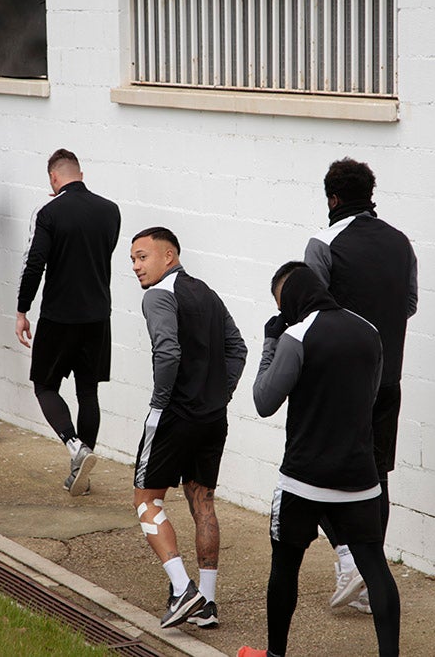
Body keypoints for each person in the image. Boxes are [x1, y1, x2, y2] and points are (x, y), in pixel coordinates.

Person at [239, 262, 401, 657]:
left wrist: (270, 344)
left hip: (303, 478)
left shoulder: (296, 335)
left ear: (292, 298)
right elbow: (374, 393)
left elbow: (264, 401)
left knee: (285, 569)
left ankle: (275, 654)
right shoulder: (369, 331)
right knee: (376, 571)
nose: (283, 313)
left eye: (282, 305)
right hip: (359, 477)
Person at [303, 157, 417, 612]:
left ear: (332, 198)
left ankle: (352, 561)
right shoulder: (401, 242)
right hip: (389, 377)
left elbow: (310, 316)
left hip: (340, 383)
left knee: (315, 470)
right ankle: (369, 574)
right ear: (369, 194)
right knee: (376, 476)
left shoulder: (323, 243)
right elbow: (407, 304)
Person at [129, 227, 247, 629]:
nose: (136, 266)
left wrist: (161, 403)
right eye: (132, 259)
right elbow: (238, 347)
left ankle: (183, 590)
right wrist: (219, 394)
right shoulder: (207, 292)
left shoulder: (158, 295)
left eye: (143, 256)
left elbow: (167, 352)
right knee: (203, 504)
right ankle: (207, 606)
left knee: (146, 500)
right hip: (212, 417)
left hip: (175, 416)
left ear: (170, 255)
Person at [15, 148, 121, 496]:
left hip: (59, 316)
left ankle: (75, 446)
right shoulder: (110, 211)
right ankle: (82, 476)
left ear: (54, 179)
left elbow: (35, 265)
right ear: (81, 173)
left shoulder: (49, 212)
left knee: (45, 386)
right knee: (87, 391)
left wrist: (22, 310)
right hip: (97, 317)